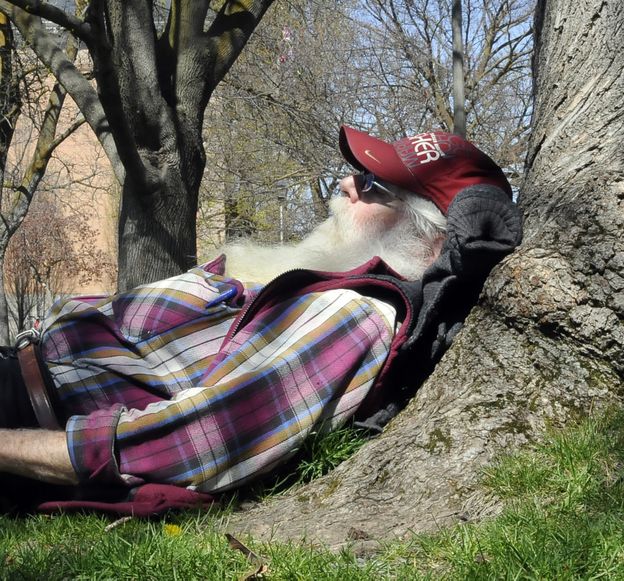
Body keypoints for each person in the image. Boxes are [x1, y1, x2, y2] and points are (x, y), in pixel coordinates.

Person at [0, 126, 521, 514]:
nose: (345, 184)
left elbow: (185, 441)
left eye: (372, 185)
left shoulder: (357, 313)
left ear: (427, 238)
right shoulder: (324, 283)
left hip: (25, 414)